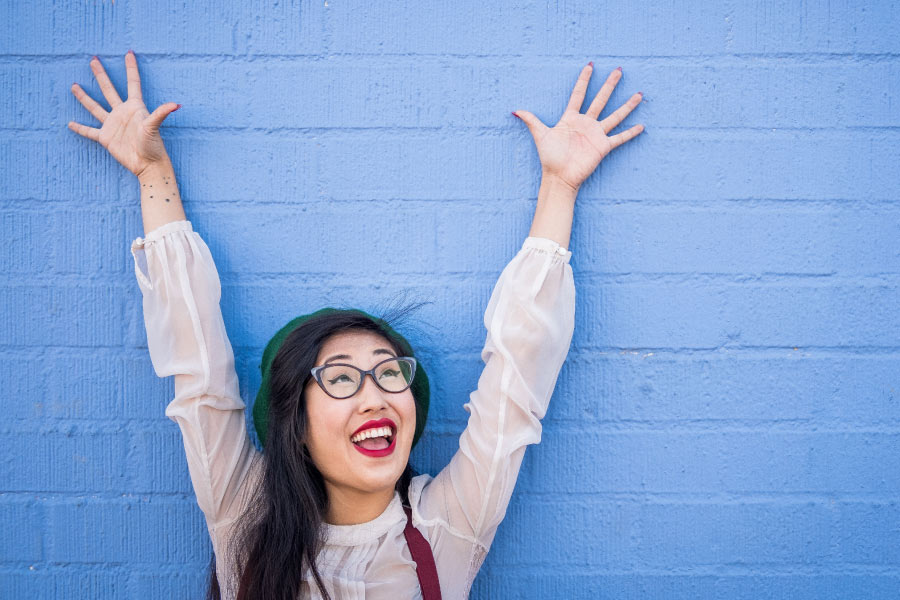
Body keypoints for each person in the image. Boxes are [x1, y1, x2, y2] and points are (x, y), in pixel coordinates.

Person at [68, 50, 644, 600]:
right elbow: (199, 372)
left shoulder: (449, 524)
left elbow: (517, 383)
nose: (376, 397)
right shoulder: (243, 515)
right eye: (341, 379)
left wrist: (559, 186)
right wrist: (152, 171)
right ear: (294, 421)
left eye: (389, 373)